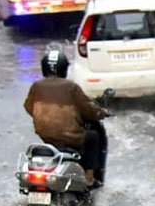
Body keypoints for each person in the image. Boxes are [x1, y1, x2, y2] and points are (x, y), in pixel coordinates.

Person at [23, 49, 109, 187]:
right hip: (70, 138)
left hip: (46, 138)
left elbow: (28, 107)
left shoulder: (36, 86)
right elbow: (88, 109)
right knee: (93, 136)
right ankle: (89, 177)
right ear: (63, 69)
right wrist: (102, 112)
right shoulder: (71, 87)